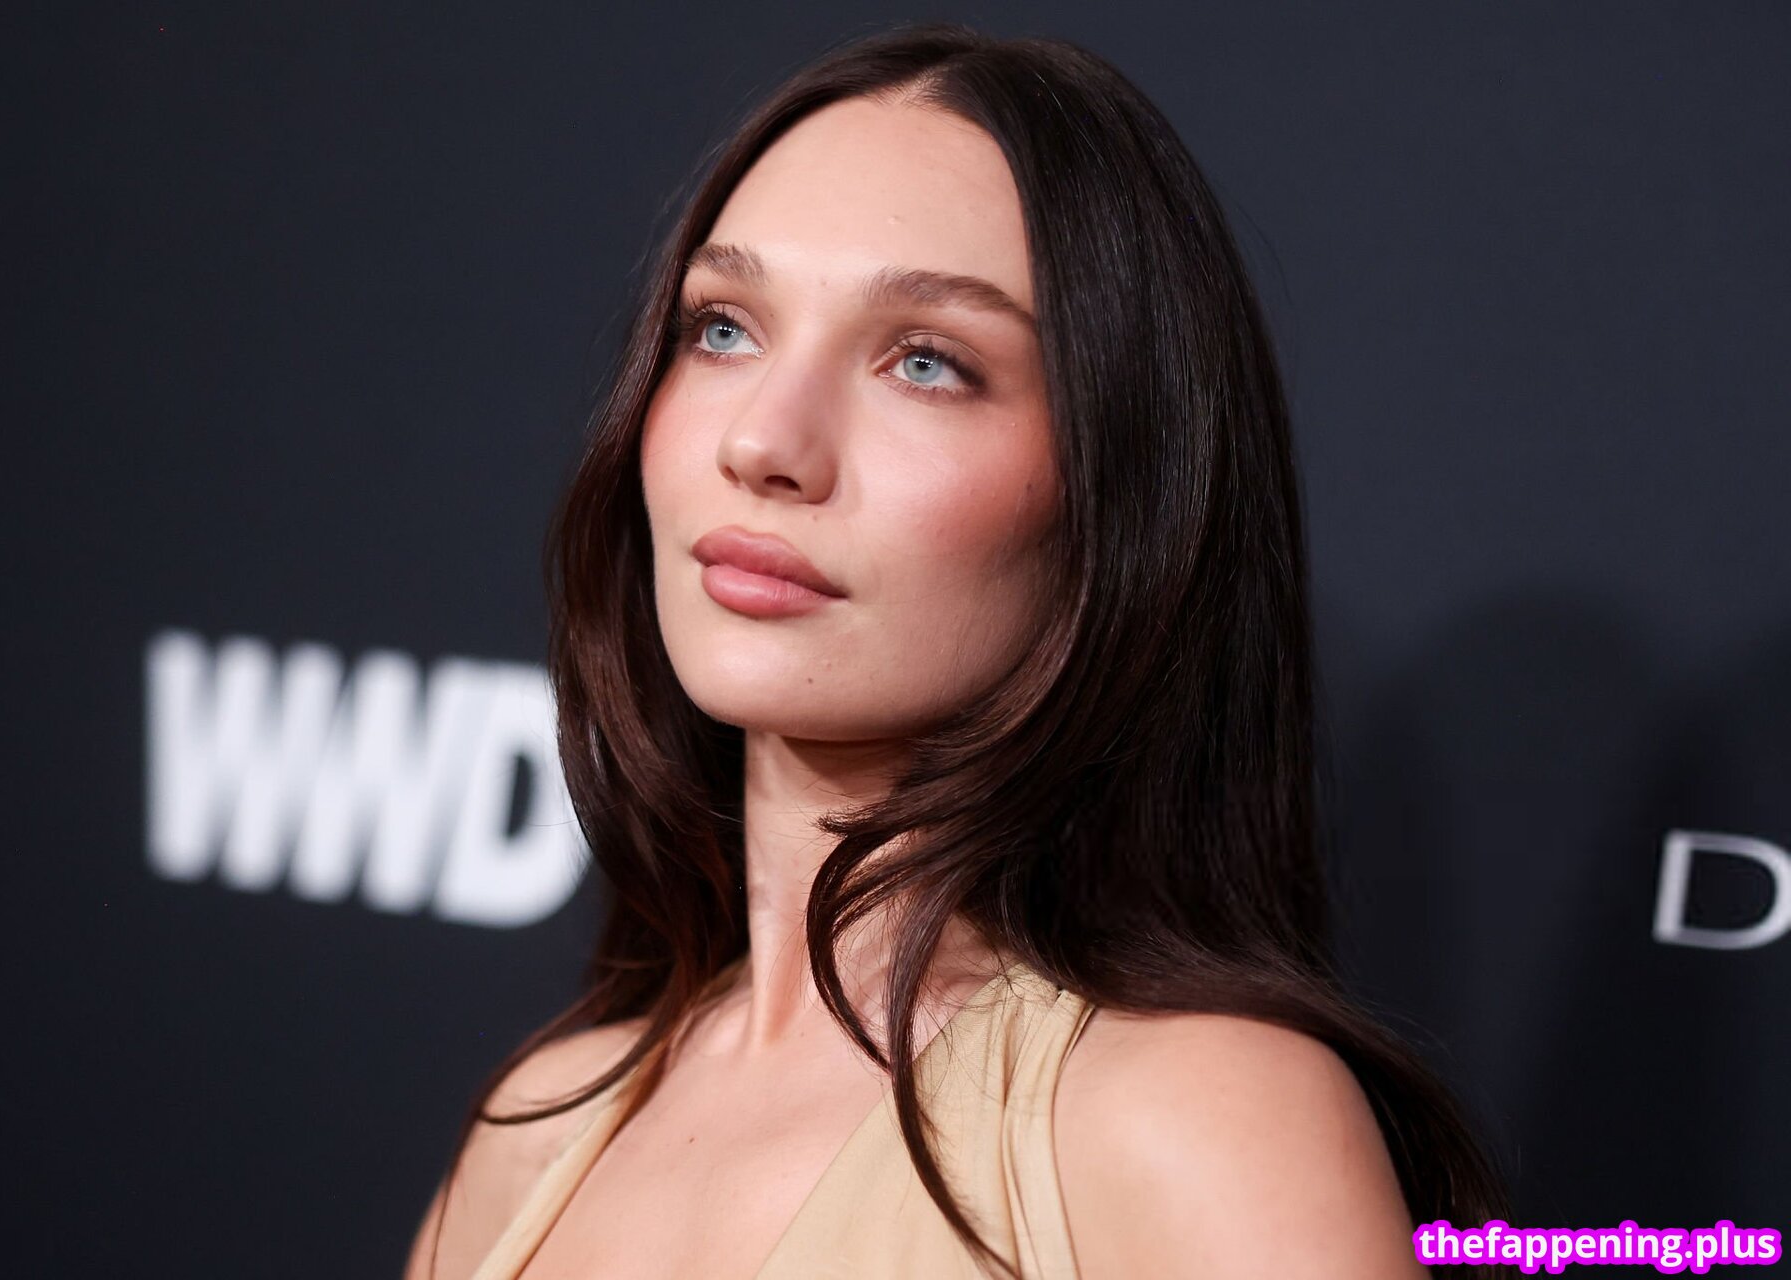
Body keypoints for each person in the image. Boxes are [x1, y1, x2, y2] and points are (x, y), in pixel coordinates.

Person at [405, 21, 1509, 1280]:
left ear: (1119, 500)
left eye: (925, 362)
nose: (763, 442)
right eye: (723, 328)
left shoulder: (1192, 1120)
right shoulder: (536, 1127)